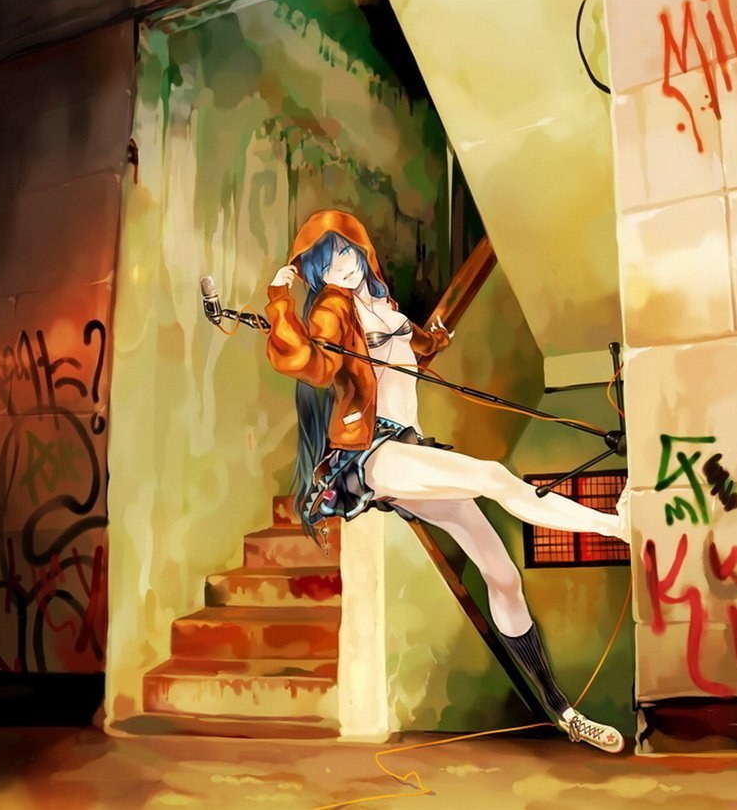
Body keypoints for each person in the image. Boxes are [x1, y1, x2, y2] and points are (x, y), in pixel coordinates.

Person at [264, 208, 627, 753]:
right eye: (327, 261)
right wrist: (279, 300)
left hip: (409, 449)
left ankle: (563, 710)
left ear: (361, 250)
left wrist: (432, 339)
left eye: (346, 252)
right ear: (316, 272)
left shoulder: (382, 307)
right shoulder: (333, 310)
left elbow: (417, 345)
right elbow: (308, 361)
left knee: (502, 575)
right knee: (493, 476)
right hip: (374, 452)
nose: (341, 266)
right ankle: (617, 527)